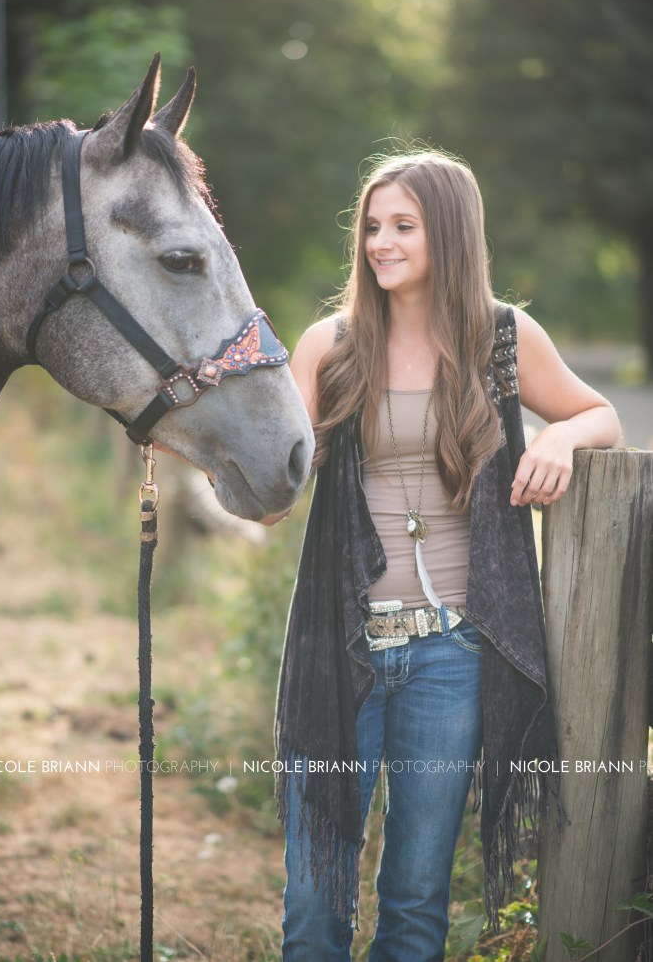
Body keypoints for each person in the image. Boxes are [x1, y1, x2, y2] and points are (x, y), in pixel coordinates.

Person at [266, 150, 622, 962]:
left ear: (450, 234)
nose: (378, 243)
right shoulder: (331, 343)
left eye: (402, 226)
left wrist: (561, 434)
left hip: (453, 652)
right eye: (370, 226)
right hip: (342, 645)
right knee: (315, 898)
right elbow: (274, 481)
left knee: (418, 895)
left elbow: (600, 412)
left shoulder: (501, 338)